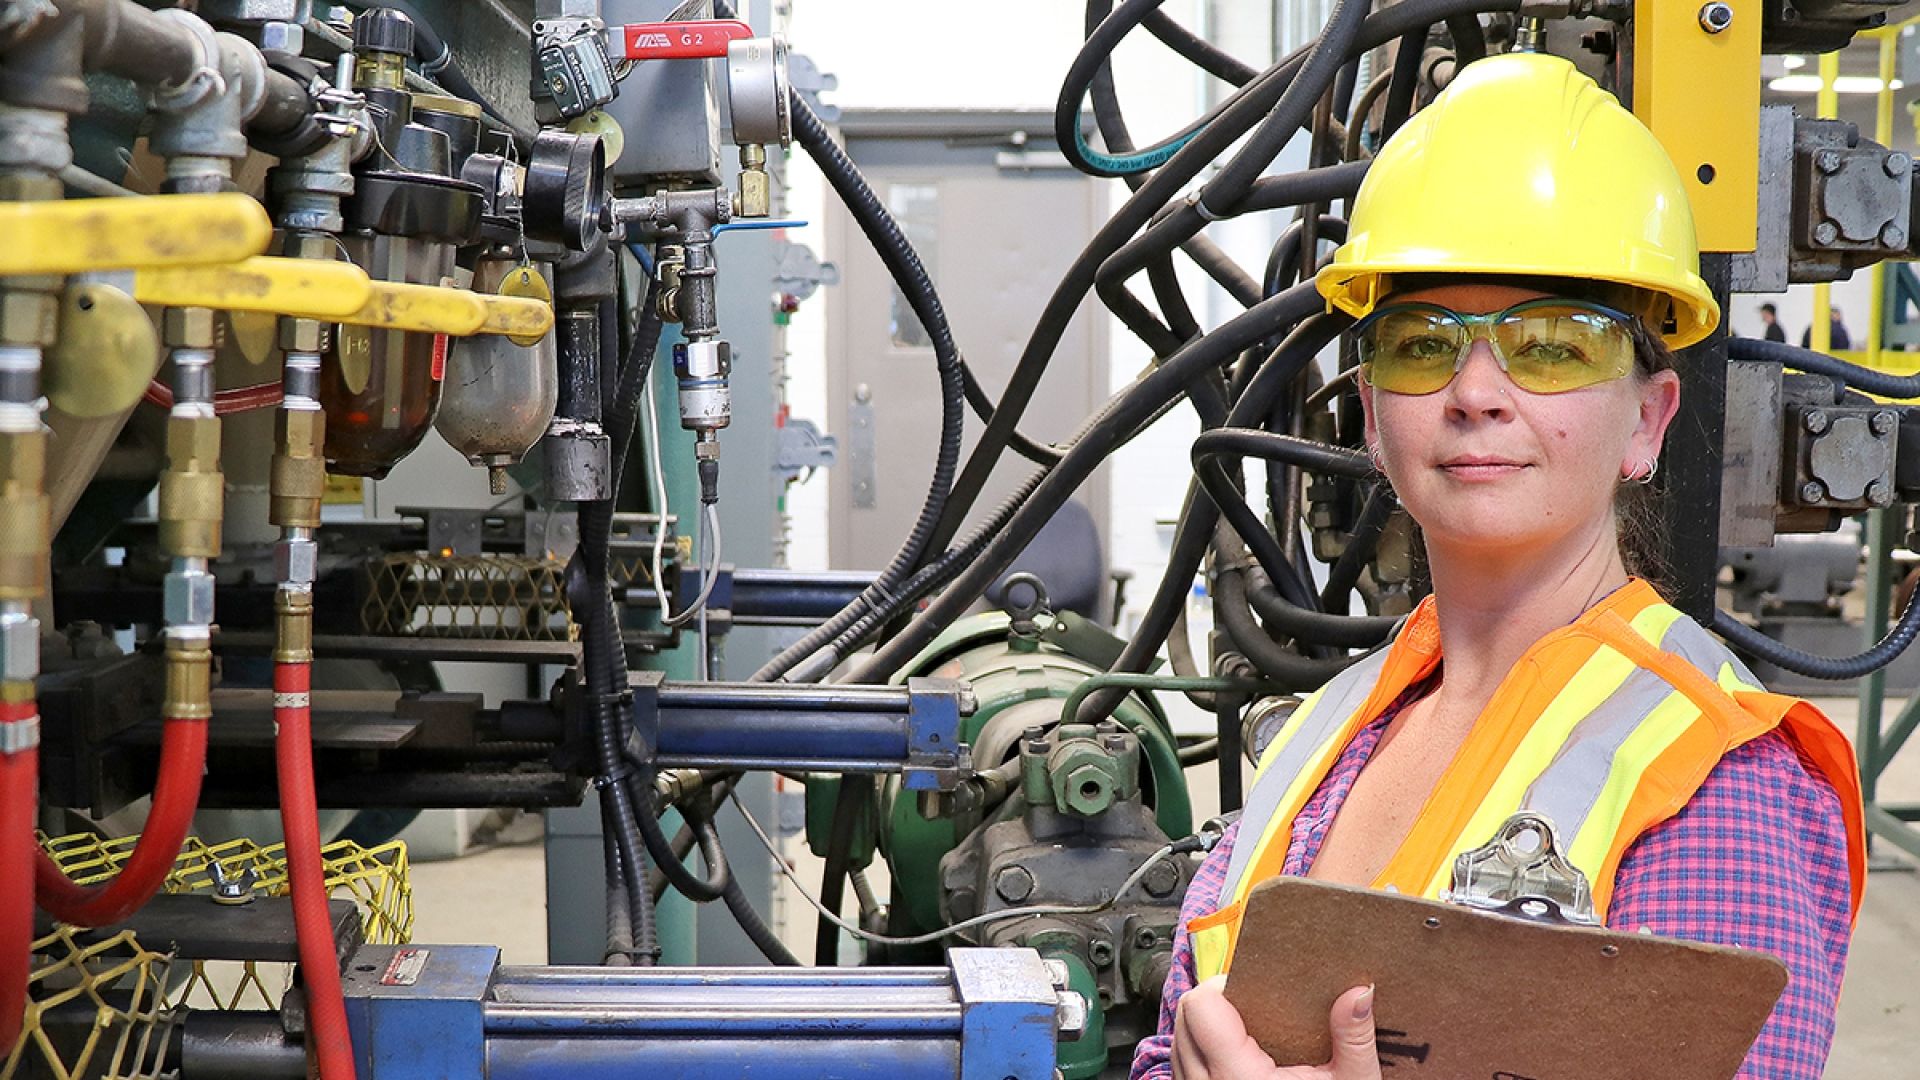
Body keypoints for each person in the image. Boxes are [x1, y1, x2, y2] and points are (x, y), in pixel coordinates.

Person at [1131, 52, 1864, 1080]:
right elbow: (1173, 1038)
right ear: (1373, 417)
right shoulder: (1324, 733)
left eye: (1554, 346)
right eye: (1422, 345)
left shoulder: (1718, 781)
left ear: (1647, 423)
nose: (1475, 393)